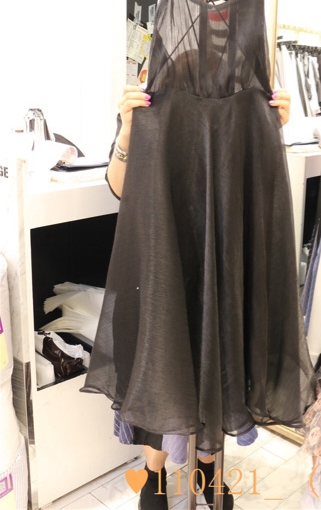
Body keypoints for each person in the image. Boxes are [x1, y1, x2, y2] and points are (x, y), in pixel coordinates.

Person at [107, 84, 292, 510]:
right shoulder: (151, 99)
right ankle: (154, 474)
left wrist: (270, 129)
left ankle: (206, 467)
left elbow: (260, 191)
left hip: (226, 268)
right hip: (160, 265)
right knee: (160, 370)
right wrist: (128, 134)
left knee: (221, 367)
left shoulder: (243, 102)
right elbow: (119, 187)